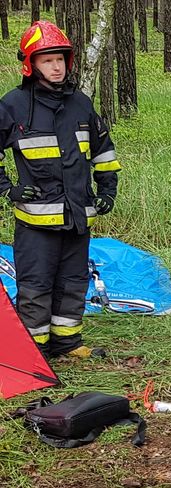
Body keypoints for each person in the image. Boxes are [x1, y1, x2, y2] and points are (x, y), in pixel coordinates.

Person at [0, 21, 119, 359]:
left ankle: (67, 343)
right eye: (47, 60)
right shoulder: (13, 105)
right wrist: (8, 189)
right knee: (36, 287)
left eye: (60, 60)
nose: (56, 67)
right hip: (36, 224)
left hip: (78, 216)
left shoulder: (81, 103)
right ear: (31, 64)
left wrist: (107, 189)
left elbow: (103, 150)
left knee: (72, 282)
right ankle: (33, 353)